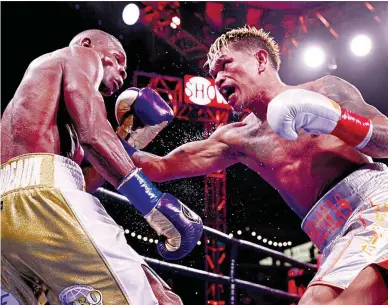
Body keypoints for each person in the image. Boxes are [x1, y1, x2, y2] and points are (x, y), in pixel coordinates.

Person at [118, 26, 388, 305]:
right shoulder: (235, 138)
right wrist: (122, 137)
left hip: (375, 204)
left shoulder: (323, 90)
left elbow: (386, 141)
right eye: (213, 74)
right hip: (330, 235)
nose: (218, 78)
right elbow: (159, 168)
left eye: (225, 65)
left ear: (260, 60)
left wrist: (337, 120)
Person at [1, 29, 203, 305]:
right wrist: (153, 203)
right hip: (44, 200)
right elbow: (93, 134)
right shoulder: (79, 55)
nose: (121, 71)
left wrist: (127, 142)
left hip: (9, 215)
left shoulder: (43, 109)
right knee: (152, 298)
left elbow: (83, 181)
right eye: (118, 59)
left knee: (157, 291)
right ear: (87, 43)